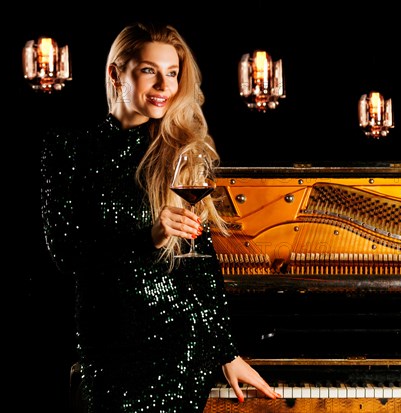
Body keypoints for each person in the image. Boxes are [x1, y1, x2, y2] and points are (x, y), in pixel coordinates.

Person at [40, 22, 281, 412]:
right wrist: (146, 236)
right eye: (149, 70)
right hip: (107, 342)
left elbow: (199, 265)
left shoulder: (177, 152)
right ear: (116, 73)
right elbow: (67, 256)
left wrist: (226, 352)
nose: (163, 86)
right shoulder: (67, 150)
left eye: (172, 74)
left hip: (178, 347)